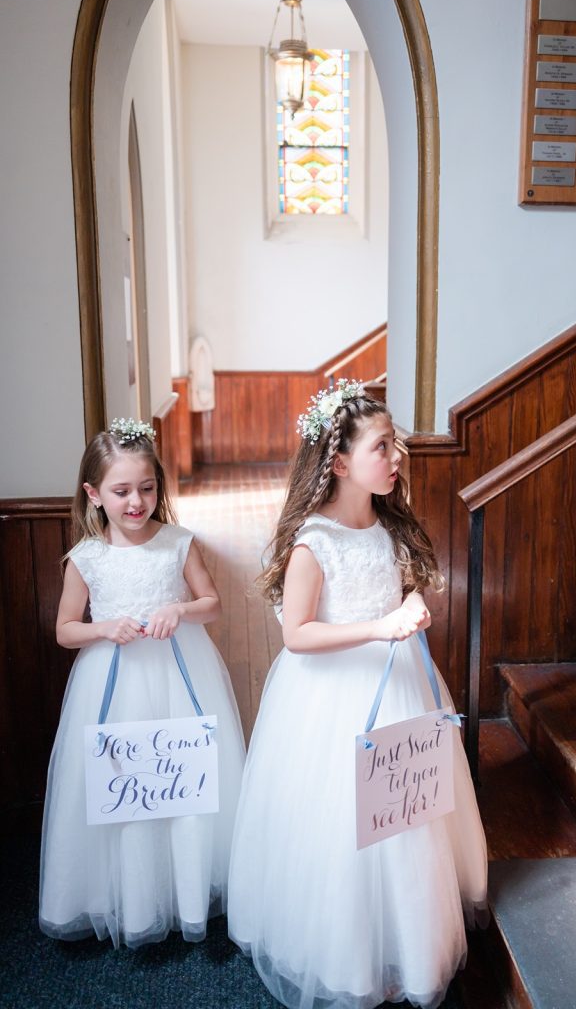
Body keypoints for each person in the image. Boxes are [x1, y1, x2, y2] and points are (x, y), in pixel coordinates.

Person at [228, 381, 488, 1009]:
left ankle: (408, 942)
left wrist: (411, 604)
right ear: (340, 462)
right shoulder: (313, 543)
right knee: (345, 822)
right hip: (332, 695)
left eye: (395, 441)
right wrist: (379, 627)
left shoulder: (386, 524)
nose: (396, 454)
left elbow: (398, 592)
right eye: (381, 445)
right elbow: (296, 633)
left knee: (408, 817)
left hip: (398, 685)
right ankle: (346, 952)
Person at [39, 418, 245, 949]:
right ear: (94, 494)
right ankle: (131, 899)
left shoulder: (178, 543)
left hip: (178, 672)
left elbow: (213, 604)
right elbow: (65, 629)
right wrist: (105, 627)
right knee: (126, 784)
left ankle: (189, 891)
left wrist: (180, 607)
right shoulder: (86, 558)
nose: (137, 501)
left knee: (181, 777)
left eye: (148, 488)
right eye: (122, 491)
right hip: (113, 678)